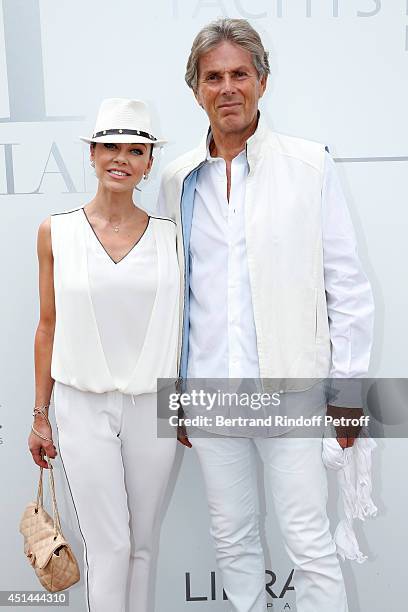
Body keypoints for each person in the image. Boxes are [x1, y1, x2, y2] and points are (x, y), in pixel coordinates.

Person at [158, 19, 375, 612]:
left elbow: (347, 284)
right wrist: (175, 393)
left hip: (292, 390)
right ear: (196, 89)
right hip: (210, 395)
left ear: (262, 81)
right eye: (213, 77)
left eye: (239, 74)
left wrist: (349, 390)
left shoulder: (309, 165)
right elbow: (173, 296)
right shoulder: (178, 179)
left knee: (308, 541)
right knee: (233, 540)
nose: (227, 88)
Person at [28, 98, 179, 612]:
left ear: (148, 163)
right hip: (80, 404)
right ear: (91, 154)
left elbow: (186, 328)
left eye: (135, 150)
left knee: (141, 544)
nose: (122, 159)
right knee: (109, 544)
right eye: (110, 147)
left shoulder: (170, 238)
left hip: (153, 404)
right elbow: (46, 327)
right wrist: (40, 416)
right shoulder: (56, 231)